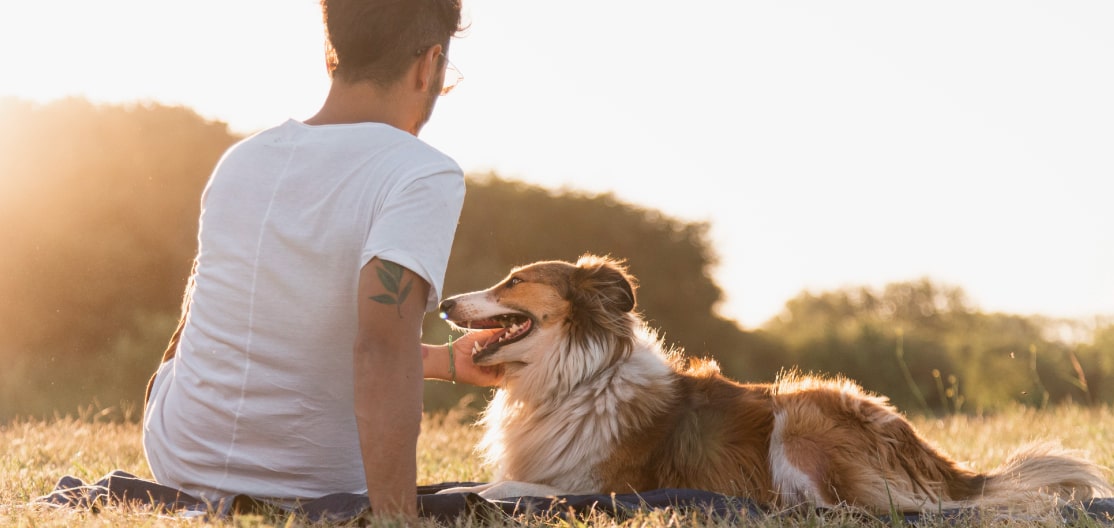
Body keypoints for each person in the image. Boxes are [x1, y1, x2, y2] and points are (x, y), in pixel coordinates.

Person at [142, 0, 499, 519]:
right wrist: (396, 518)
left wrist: (444, 361)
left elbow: (238, 324)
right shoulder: (422, 172)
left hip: (178, 460)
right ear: (429, 66)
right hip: (318, 483)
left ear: (332, 54)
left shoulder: (241, 159)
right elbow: (379, 347)